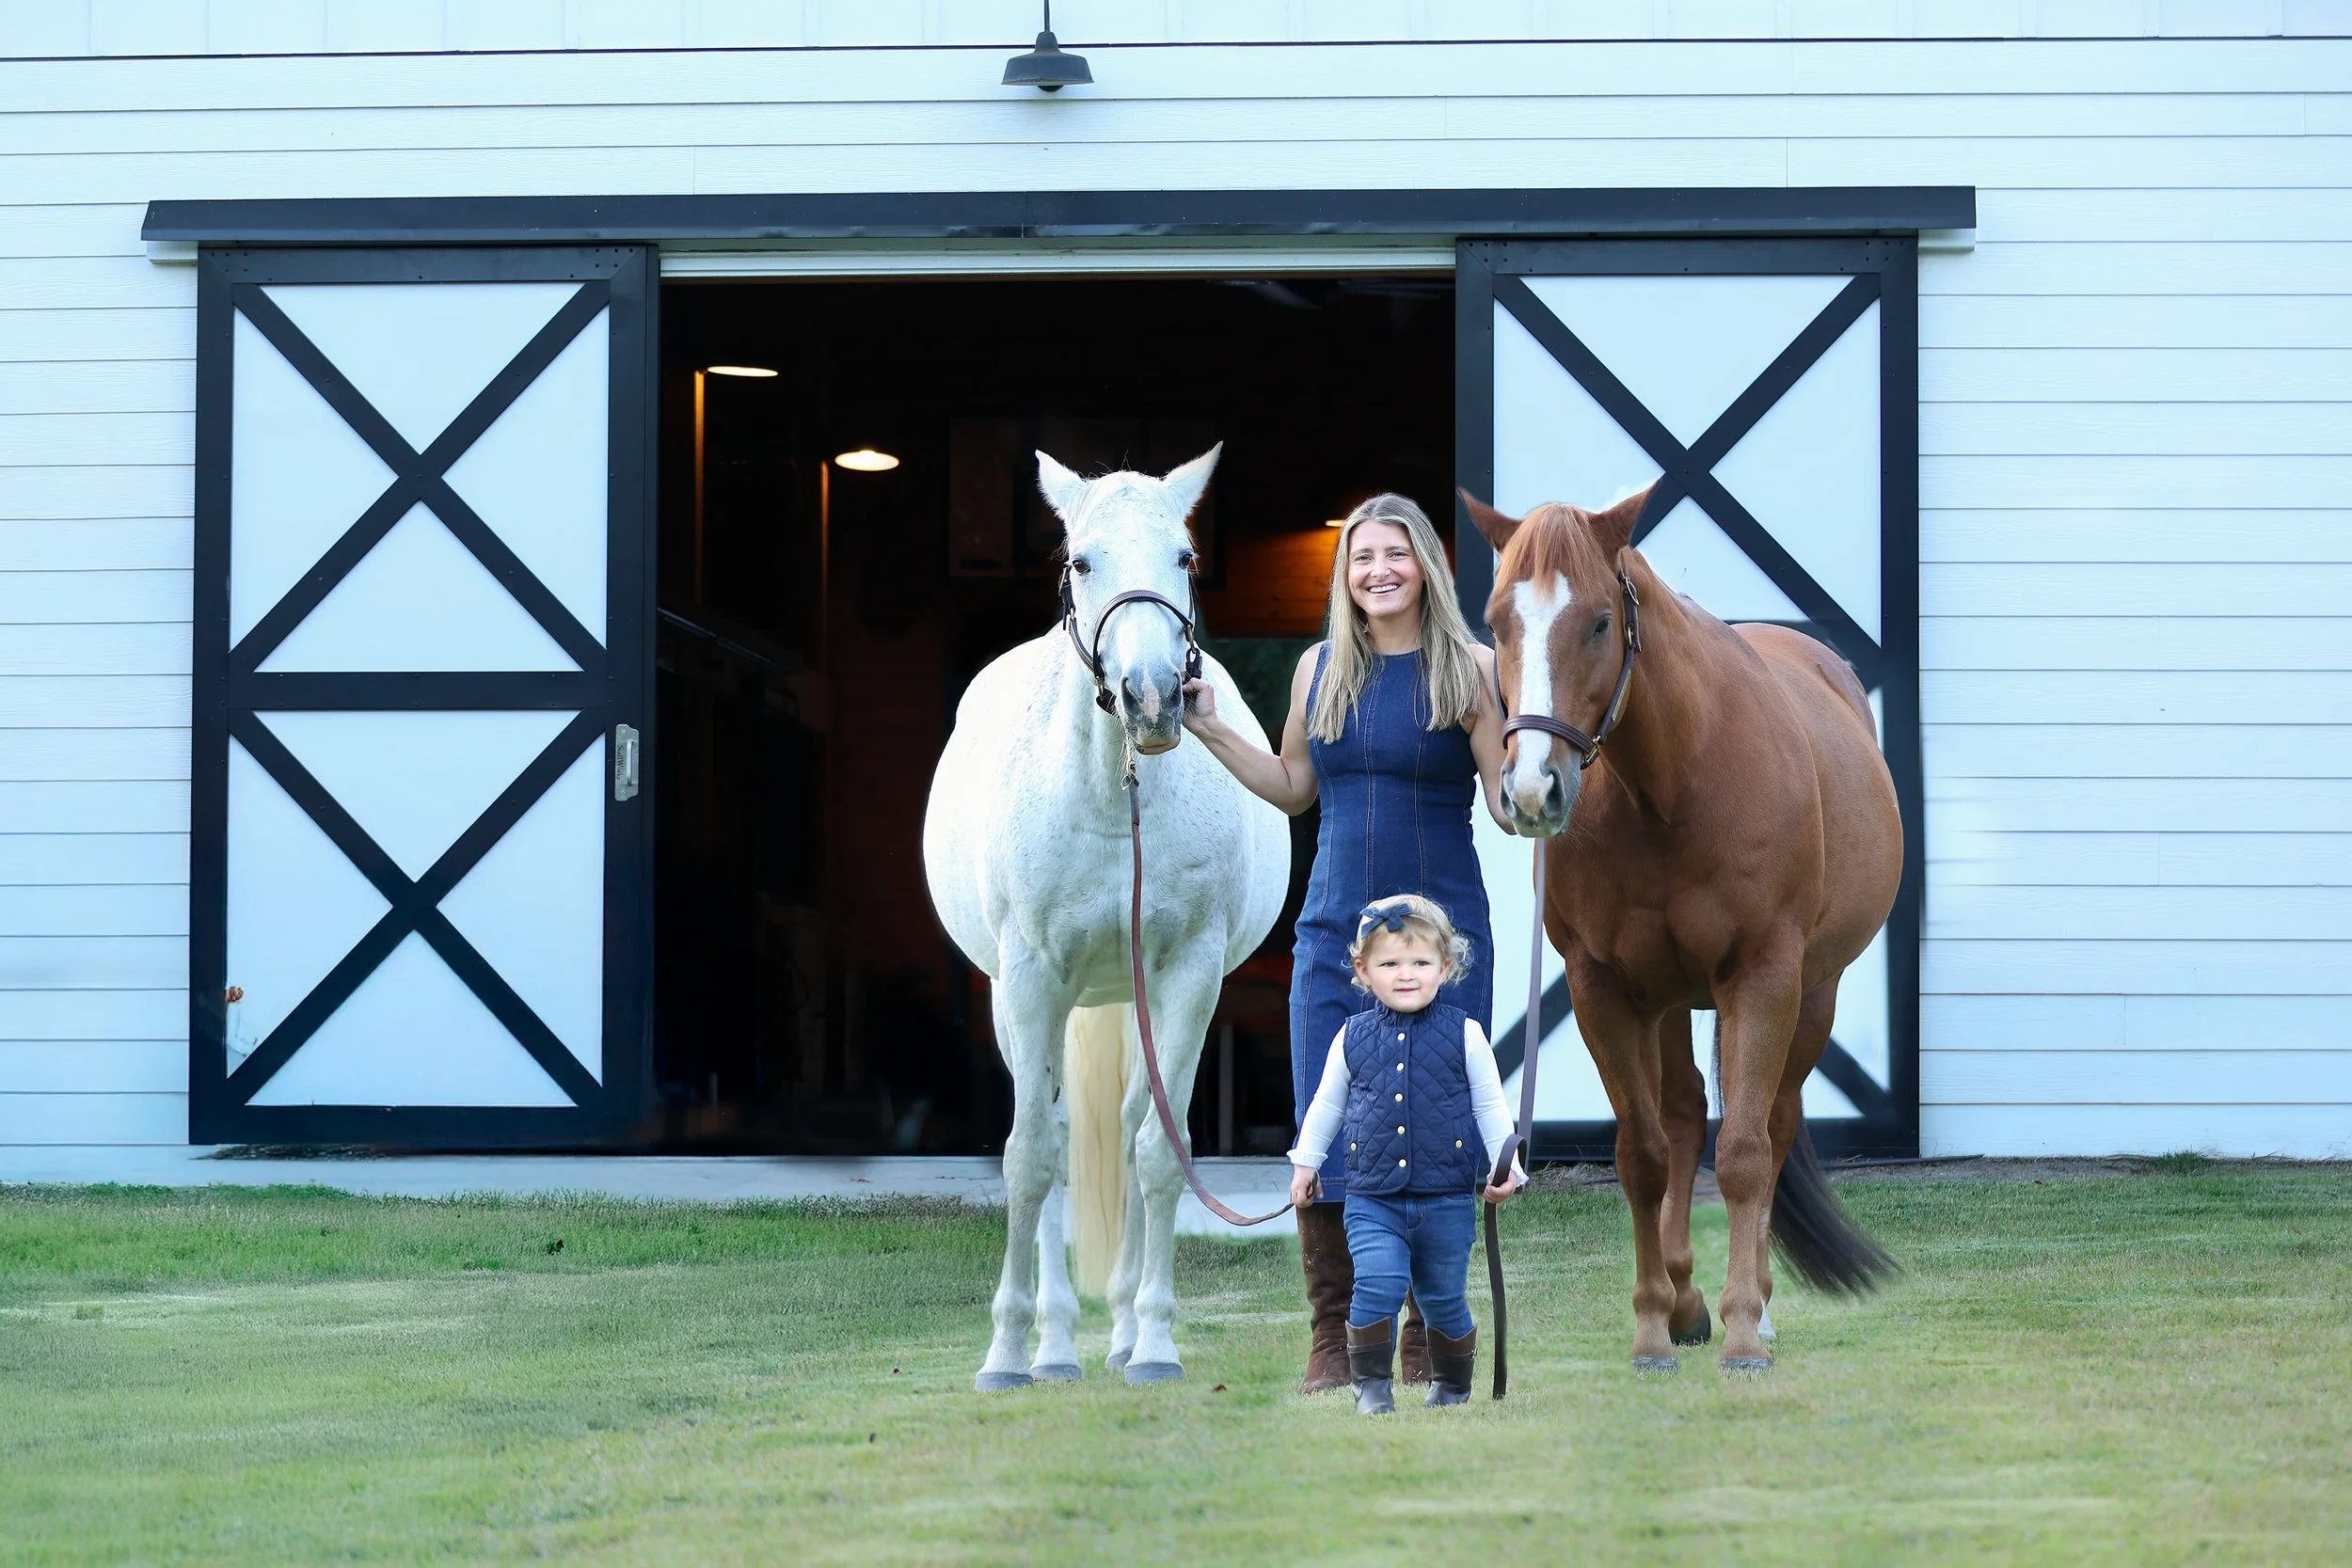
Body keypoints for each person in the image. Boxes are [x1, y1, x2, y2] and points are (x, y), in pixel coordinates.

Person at [1182, 493, 1512, 1394]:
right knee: (1329, 1134)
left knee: (1441, 1137)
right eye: (1363, 557)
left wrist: (1550, 785)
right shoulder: (1317, 668)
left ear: (1426, 569)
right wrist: (1210, 724)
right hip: (1336, 935)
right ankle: (1334, 1339)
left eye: (1394, 556)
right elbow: (1293, 785)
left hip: (1442, 945)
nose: (1378, 571)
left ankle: (1421, 1339)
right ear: (1346, 572)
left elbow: (1506, 804)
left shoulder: (1472, 671)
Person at [1288, 895, 1523, 1413]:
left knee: (1442, 1298)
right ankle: (1371, 1387)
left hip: (1445, 1201)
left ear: (1446, 966)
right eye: (1389, 963)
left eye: (1420, 963)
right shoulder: (1351, 1037)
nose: (1406, 974)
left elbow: (1490, 1104)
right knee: (1378, 1281)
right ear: (1363, 971)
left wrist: (1509, 1168)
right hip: (1372, 1199)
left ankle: (1453, 1385)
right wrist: (1306, 1162)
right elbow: (1326, 1104)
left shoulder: (1466, 1034)